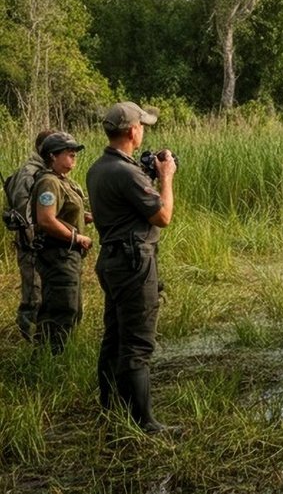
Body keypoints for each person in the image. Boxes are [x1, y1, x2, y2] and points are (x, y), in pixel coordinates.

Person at [87, 101, 177, 434]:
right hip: (133, 262)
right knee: (138, 344)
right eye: (142, 125)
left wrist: (147, 176)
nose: (143, 130)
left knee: (114, 337)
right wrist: (165, 177)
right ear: (131, 131)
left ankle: (110, 407)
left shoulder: (98, 168)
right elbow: (163, 216)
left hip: (111, 260)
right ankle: (145, 422)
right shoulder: (125, 173)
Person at [30, 131, 92, 352]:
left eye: (74, 152)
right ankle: (50, 356)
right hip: (58, 254)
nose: (74, 155)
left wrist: (85, 217)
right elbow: (46, 220)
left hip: (69, 255)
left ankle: (60, 354)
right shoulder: (49, 182)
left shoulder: (64, 182)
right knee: (61, 307)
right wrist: (77, 236)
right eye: (68, 152)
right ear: (52, 156)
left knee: (72, 307)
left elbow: (64, 212)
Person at [4, 129, 55, 339]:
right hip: (32, 244)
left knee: (45, 292)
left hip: (43, 243)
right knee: (33, 295)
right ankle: (29, 342)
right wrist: (33, 242)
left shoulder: (43, 171)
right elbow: (24, 214)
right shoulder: (29, 173)